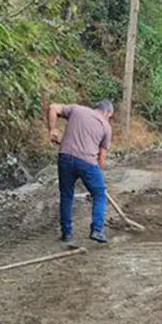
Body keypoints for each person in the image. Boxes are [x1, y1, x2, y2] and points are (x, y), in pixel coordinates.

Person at [47, 100, 114, 244]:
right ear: (107, 112)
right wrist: (98, 174)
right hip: (88, 163)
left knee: (66, 195)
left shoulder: (77, 110)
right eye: (109, 116)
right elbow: (101, 158)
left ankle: (67, 233)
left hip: (65, 157)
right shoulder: (106, 126)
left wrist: (53, 129)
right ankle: (97, 230)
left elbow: (53, 107)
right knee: (100, 194)